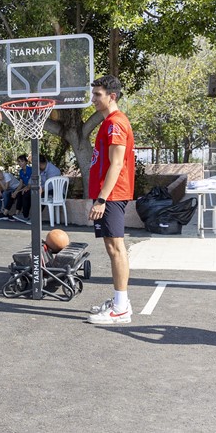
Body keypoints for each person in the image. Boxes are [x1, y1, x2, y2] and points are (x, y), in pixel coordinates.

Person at [86, 75, 135, 325]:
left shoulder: (116, 123)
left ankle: (120, 308)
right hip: (108, 195)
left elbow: (116, 164)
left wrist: (102, 199)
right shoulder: (108, 123)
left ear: (111, 96)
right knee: (112, 247)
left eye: (98, 95)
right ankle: (119, 301)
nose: (93, 99)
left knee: (116, 248)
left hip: (112, 195)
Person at [10, 154, 33, 224]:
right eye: (19, 161)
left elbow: (30, 183)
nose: (20, 163)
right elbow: (20, 184)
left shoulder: (30, 170)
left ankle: (25, 216)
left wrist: (24, 189)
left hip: (32, 187)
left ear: (26, 162)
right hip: (25, 187)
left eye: (22, 161)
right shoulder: (21, 171)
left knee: (25, 194)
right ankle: (17, 214)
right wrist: (16, 192)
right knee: (17, 194)